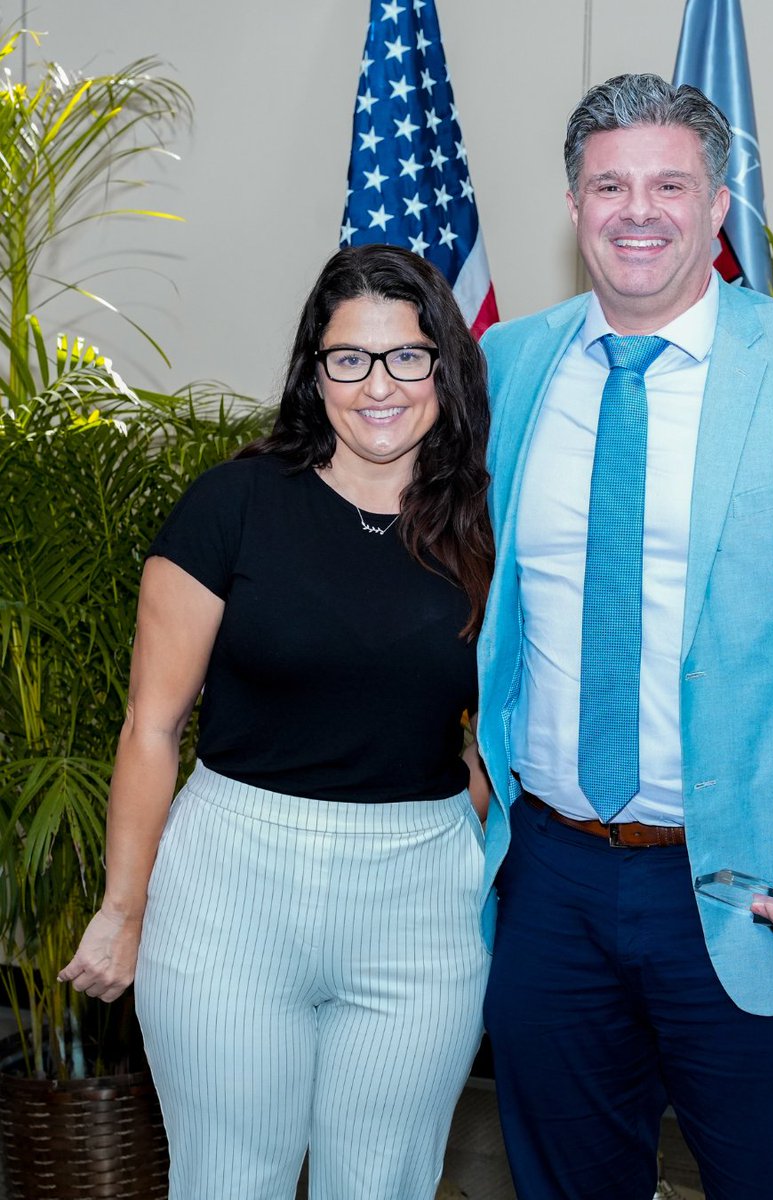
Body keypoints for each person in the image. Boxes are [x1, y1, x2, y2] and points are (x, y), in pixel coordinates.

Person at [474, 73, 773, 1200]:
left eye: (668, 184)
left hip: (759, 886)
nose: (637, 210)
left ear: (717, 207)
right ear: (573, 203)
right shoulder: (506, 369)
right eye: (609, 184)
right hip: (548, 881)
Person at [59, 243, 494, 1200]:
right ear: (314, 371)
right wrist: (123, 912)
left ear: (444, 369)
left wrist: (462, 826)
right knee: (228, 1182)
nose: (378, 385)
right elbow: (150, 730)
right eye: (349, 358)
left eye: (407, 356)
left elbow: (497, 722)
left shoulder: (486, 521)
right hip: (232, 888)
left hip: (420, 898)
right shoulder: (233, 505)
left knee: (382, 1186)